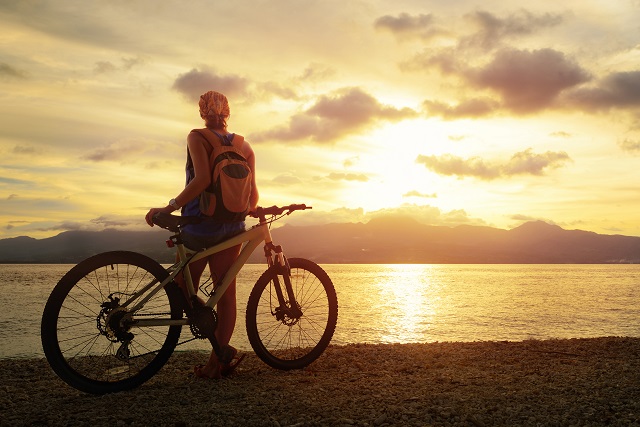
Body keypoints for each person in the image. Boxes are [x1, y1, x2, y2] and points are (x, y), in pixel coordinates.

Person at [145, 90, 259, 379]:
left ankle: (198, 329)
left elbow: (203, 179)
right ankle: (215, 363)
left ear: (201, 111)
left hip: (197, 226)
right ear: (228, 112)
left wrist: (169, 207)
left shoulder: (196, 137)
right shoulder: (245, 147)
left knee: (184, 292)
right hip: (230, 231)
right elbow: (253, 197)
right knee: (225, 294)